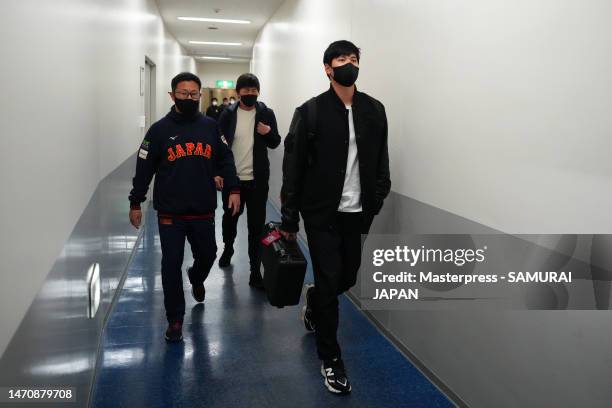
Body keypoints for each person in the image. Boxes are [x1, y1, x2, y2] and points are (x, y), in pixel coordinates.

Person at [280, 40, 391, 394]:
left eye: (355, 59)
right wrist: (289, 215)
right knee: (331, 281)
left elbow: (381, 159)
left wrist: (379, 192)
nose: (349, 64)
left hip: (358, 213)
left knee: (345, 277)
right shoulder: (310, 111)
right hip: (321, 212)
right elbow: (293, 166)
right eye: (342, 59)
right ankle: (331, 358)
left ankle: (314, 299)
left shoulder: (374, 110)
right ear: (328, 68)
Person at [128, 72, 241, 342]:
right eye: (183, 93)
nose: (189, 98)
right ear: (172, 95)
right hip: (170, 213)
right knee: (170, 264)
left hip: (202, 207)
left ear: (200, 95)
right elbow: (144, 169)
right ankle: (175, 319)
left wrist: (233, 188)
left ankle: (197, 276)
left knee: (209, 254)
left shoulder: (210, 126)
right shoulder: (158, 131)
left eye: (194, 94)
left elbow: (225, 158)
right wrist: (136, 201)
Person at [216, 73, 281, 288]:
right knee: (230, 220)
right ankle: (228, 248)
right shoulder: (227, 115)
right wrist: (218, 172)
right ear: (238, 93)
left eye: (254, 90)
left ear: (258, 92)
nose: (250, 94)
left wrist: (268, 131)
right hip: (233, 181)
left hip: (257, 181)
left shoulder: (266, 113)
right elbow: (219, 146)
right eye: (246, 90)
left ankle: (255, 271)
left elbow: (275, 142)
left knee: (256, 227)